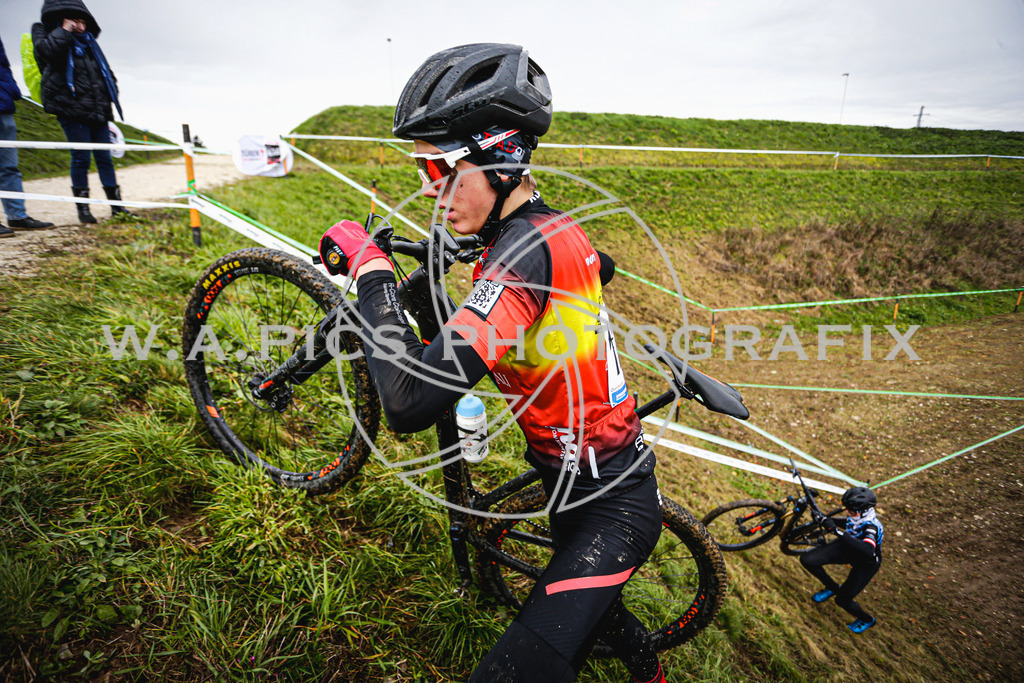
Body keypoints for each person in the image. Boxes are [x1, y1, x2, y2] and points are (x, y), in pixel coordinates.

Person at [317, 44, 667, 683]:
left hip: (612, 503)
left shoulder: (521, 259)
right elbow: (596, 265)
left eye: (441, 170)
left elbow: (409, 402)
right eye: (423, 171)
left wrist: (372, 272)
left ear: (502, 164)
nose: (431, 191)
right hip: (572, 482)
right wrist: (477, 244)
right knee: (601, 619)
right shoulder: (550, 229)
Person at [32, 0, 133, 223]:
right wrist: (64, 30)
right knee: (81, 159)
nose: (79, 25)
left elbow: (104, 74)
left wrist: (109, 97)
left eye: (82, 21)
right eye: (74, 20)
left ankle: (117, 207)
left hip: (98, 110)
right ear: (61, 20)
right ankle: (84, 211)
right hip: (71, 110)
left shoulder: (89, 45)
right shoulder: (44, 33)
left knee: (105, 158)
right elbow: (47, 52)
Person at [800, 486, 883, 634]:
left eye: (851, 511)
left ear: (864, 511)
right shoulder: (858, 515)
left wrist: (835, 531)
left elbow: (867, 550)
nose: (848, 512)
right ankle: (832, 587)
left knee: (842, 600)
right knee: (808, 559)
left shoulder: (872, 526)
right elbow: (849, 523)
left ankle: (867, 619)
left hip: (866, 563)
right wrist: (828, 520)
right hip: (849, 548)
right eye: (847, 509)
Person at [0, 35, 54, 238]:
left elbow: (2, 62)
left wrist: (9, 88)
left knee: (10, 166)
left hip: (3, 105)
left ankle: (17, 216)